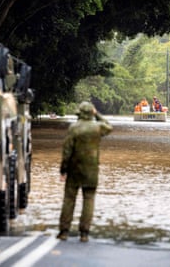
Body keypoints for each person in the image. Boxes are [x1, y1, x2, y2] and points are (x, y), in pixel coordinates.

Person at [57, 101, 113, 242]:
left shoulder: (73, 128)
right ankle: (84, 233)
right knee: (89, 199)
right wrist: (97, 114)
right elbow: (109, 127)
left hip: (74, 169)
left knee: (69, 199)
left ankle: (64, 231)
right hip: (91, 170)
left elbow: (67, 151)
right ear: (91, 113)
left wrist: (63, 169)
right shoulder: (98, 128)